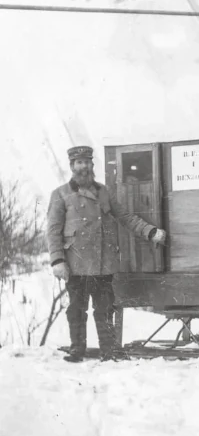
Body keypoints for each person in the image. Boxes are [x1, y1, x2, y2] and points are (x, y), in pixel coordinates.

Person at [46, 145, 167, 362]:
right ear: (72, 166)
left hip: (103, 262)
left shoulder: (103, 192)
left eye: (87, 162)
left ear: (92, 165)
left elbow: (126, 217)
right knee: (77, 310)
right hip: (77, 264)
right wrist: (57, 260)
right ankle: (77, 350)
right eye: (79, 163)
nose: (84, 167)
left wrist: (150, 232)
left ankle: (109, 351)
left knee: (104, 309)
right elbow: (53, 231)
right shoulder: (61, 194)